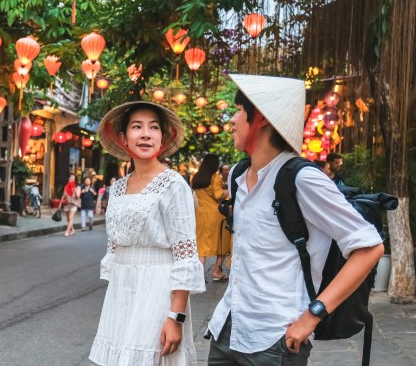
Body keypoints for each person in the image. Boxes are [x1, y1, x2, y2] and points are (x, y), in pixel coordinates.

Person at [206, 74, 384, 365]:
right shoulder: (238, 176)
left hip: (276, 339)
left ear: (260, 117)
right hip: (228, 327)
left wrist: (312, 316)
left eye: (238, 111)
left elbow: (369, 247)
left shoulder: (302, 178)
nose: (232, 120)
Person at [90, 101, 205, 365]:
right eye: (137, 127)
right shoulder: (117, 188)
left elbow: (185, 255)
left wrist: (176, 317)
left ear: (162, 138)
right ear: (123, 138)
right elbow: (116, 247)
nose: (145, 134)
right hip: (122, 294)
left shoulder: (174, 185)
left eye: (154, 128)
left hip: (158, 292)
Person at [192, 153, 230, 281]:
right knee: (222, 243)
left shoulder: (197, 177)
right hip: (215, 215)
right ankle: (217, 272)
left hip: (201, 214)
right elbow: (218, 195)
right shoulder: (215, 177)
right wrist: (228, 191)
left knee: (202, 245)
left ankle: (197, 275)